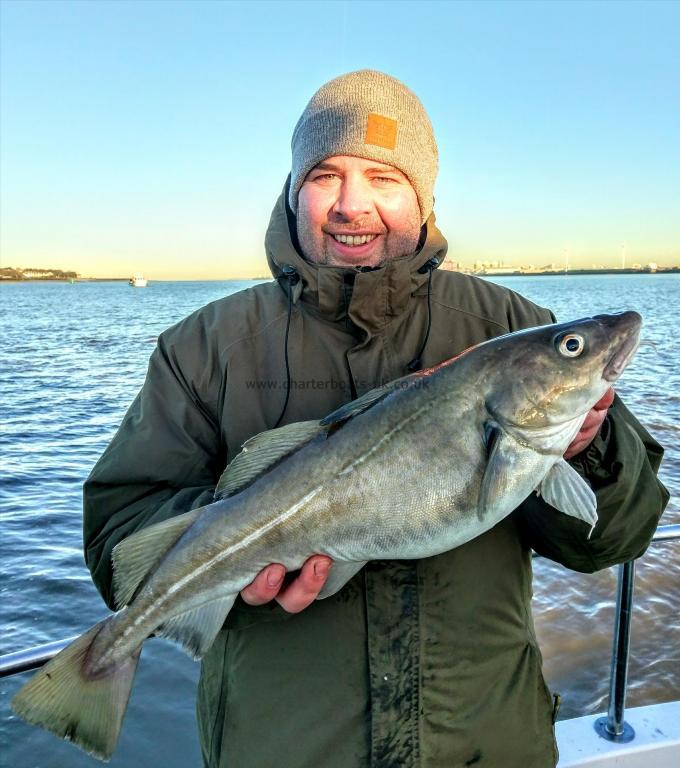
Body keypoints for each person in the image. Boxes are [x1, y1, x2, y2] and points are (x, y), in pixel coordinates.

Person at [83, 70, 668, 768]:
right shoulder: (202, 347)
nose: (352, 205)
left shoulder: (515, 327)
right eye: (326, 175)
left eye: (385, 179)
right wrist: (237, 532)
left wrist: (588, 450)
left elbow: (614, 539)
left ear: (422, 198)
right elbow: (119, 537)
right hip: (280, 748)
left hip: (488, 742)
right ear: (294, 191)